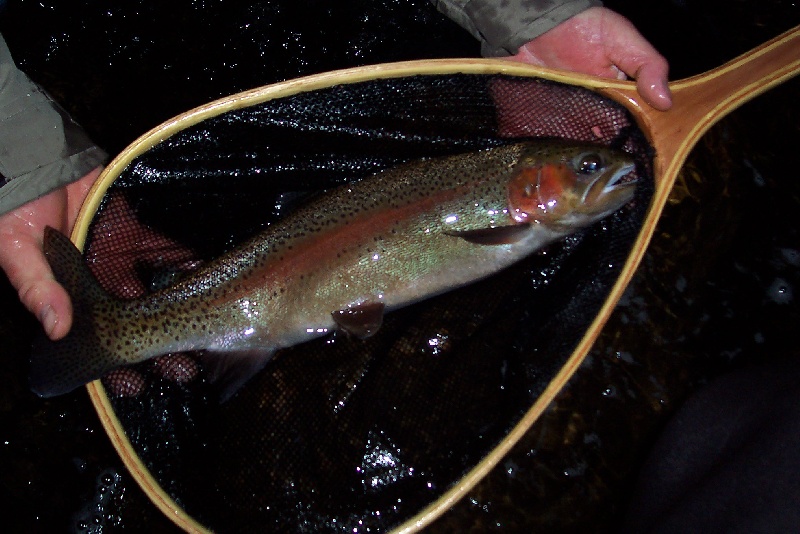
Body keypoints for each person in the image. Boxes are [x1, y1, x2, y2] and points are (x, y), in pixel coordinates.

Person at [0, 2, 671, 342]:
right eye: (584, 166)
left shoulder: (513, 203)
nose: (597, 172)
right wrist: (21, 153)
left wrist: (527, 14)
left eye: (586, 168)